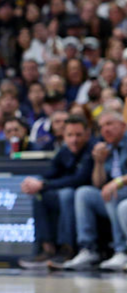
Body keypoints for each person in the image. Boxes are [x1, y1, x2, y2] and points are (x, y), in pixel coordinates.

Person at [18, 115, 92, 269]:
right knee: (40, 195)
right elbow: (51, 173)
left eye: (78, 135)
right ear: (64, 136)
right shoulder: (64, 150)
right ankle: (46, 249)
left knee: (66, 194)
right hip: (68, 195)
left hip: (86, 196)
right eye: (70, 135)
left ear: (87, 134)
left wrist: (43, 184)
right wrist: (35, 182)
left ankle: (67, 249)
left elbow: (79, 179)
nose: (74, 140)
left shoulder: (91, 150)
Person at [62, 111, 127, 270]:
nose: (105, 129)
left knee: (112, 194)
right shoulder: (106, 147)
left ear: (123, 126)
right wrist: (99, 162)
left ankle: (121, 250)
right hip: (114, 198)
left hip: (120, 195)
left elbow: (112, 186)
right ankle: (88, 250)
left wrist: (117, 182)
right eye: (101, 126)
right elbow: (99, 184)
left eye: (109, 124)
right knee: (84, 193)